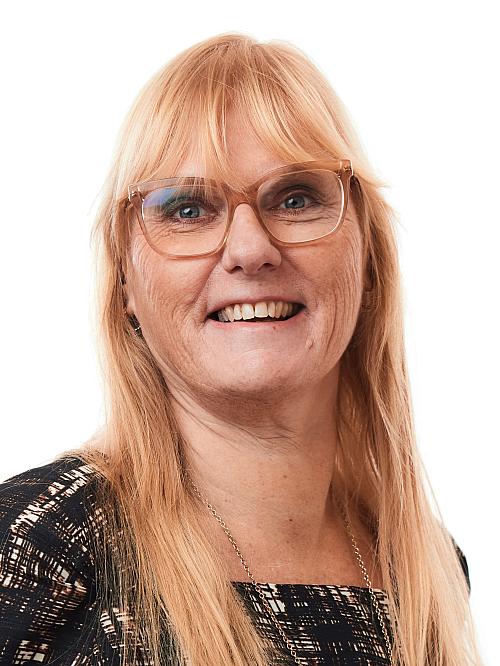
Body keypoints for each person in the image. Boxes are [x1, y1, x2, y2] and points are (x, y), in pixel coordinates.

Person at [0, 33, 482, 666]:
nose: (251, 250)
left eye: (297, 199)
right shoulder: (38, 545)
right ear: (124, 281)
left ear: (368, 257)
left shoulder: (427, 568)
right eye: (187, 209)